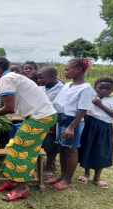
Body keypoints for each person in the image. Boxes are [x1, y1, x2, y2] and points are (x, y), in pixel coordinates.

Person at [0, 56, 57, 202]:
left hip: (40, 117)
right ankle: (13, 181)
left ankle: (22, 188)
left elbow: (8, 107)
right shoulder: (11, 77)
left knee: (23, 151)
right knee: (16, 147)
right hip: (37, 116)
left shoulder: (6, 79)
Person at [45, 58, 96, 191]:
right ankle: (62, 176)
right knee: (62, 148)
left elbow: (83, 109)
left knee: (71, 150)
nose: (64, 72)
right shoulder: (68, 85)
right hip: (61, 119)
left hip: (72, 121)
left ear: (78, 69)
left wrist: (72, 127)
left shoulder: (86, 88)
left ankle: (68, 180)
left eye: (67, 69)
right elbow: (58, 103)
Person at [78, 77, 113, 189]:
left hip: (104, 128)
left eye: (108, 88)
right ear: (95, 88)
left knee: (101, 151)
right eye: (101, 87)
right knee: (87, 148)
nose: (104, 90)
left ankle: (97, 177)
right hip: (89, 125)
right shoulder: (90, 98)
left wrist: (100, 104)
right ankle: (86, 174)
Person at [37, 66, 64, 179]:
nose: (38, 80)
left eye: (41, 78)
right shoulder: (40, 87)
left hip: (54, 121)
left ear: (52, 76)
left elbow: (62, 106)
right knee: (39, 143)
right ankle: (38, 164)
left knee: (51, 145)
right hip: (39, 119)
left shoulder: (62, 89)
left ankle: (48, 167)